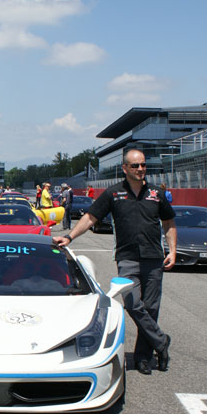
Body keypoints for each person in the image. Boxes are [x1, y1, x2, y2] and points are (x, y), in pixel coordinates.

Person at [53, 149, 176, 375]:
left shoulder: (156, 194)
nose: (140, 169)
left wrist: (173, 251)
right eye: (135, 166)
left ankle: (143, 357)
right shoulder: (113, 193)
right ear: (125, 168)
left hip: (154, 258)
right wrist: (69, 237)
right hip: (127, 258)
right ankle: (161, 340)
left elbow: (169, 223)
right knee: (132, 304)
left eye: (143, 165)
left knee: (151, 308)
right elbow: (91, 217)